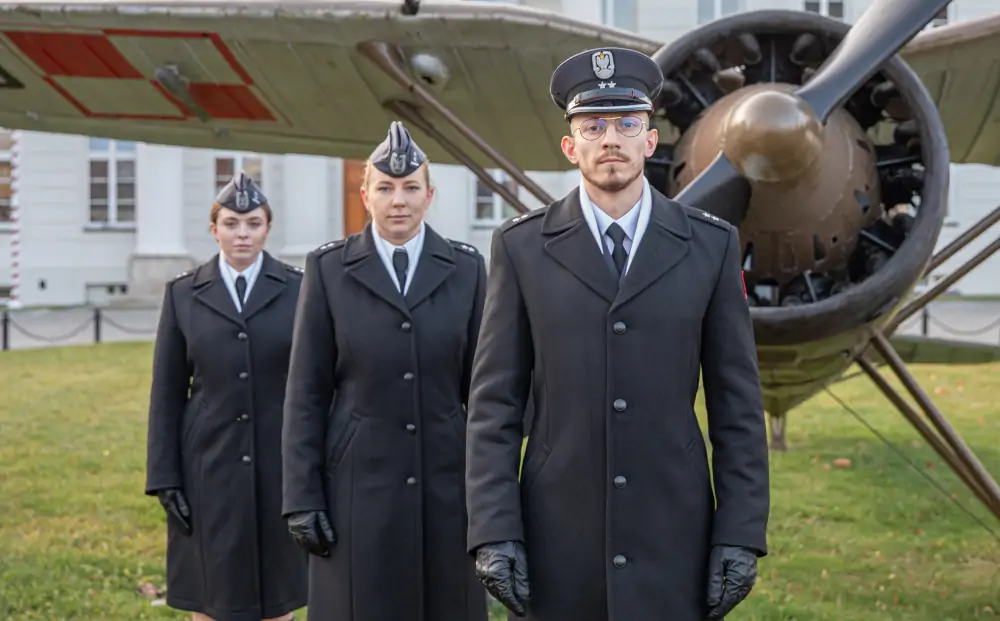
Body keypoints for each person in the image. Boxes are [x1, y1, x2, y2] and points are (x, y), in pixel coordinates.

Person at [464, 47, 770, 621]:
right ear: (570, 145)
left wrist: (740, 533)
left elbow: (737, 405)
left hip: (674, 532)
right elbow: (494, 405)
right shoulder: (522, 248)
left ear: (650, 141)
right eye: (593, 125)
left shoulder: (710, 246)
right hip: (556, 534)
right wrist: (494, 529)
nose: (611, 139)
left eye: (628, 123)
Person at [281, 121, 489, 621]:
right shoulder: (329, 270)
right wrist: (302, 496)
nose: (399, 200)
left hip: (447, 489)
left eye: (411, 187)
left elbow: (484, 394)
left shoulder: (465, 269)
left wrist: (491, 495)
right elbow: (306, 391)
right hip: (357, 488)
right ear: (366, 194)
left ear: (430, 194)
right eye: (386, 188)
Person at [144, 172, 307, 621]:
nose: (242, 234)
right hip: (208, 466)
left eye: (253, 223)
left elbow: (317, 384)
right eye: (232, 223)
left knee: (279, 594)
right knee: (210, 597)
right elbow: (168, 392)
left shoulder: (300, 288)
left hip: (280, 465)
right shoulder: (183, 293)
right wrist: (164, 477)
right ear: (214, 228)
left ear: (267, 229)